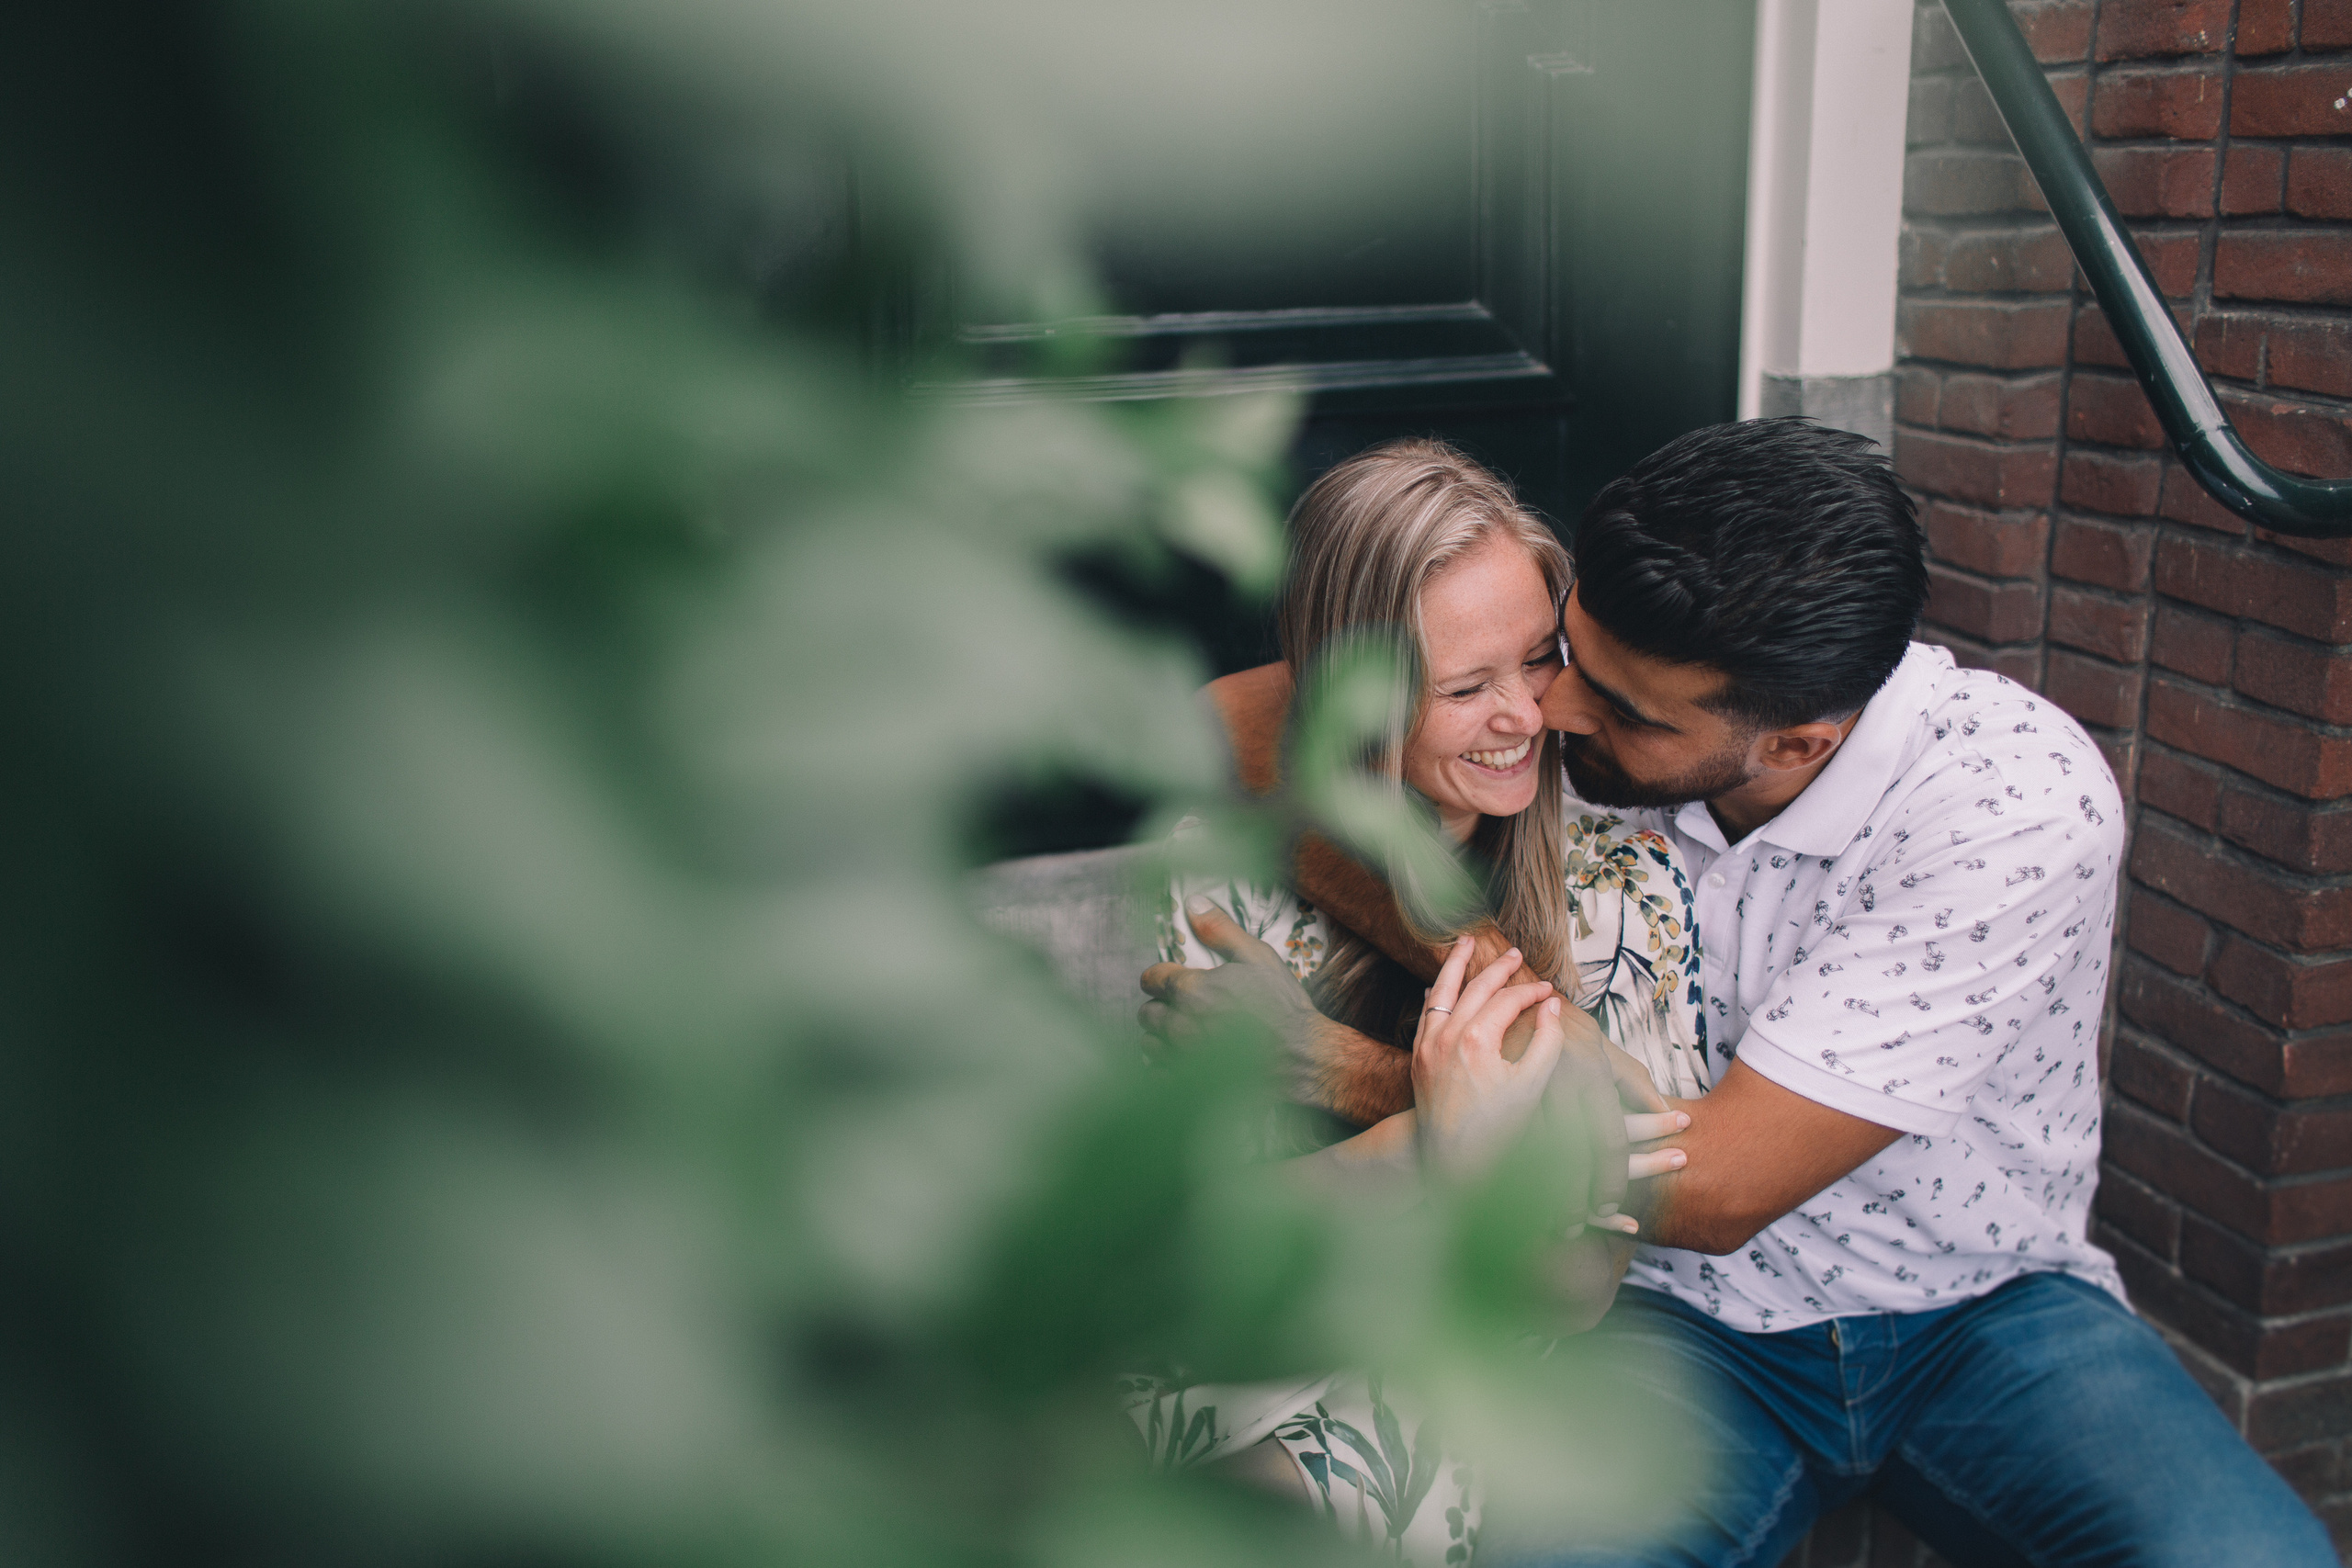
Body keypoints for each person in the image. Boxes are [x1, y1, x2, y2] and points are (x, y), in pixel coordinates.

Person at [1146, 420, 2336, 1566]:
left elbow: (1710, 1184)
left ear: (1798, 744)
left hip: (1977, 1304)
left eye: (1611, 705)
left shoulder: (2011, 808)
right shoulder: (1610, 721)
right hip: (1685, 1322)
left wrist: (1370, 1071)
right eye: (1572, 652)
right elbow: (1260, 711)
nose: (1559, 713)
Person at [1125, 439, 1701, 1566]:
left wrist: (1413, 1137)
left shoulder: (1619, 893)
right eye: (1465, 688)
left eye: (1538, 662)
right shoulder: (1217, 873)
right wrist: (1446, 1144)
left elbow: (1572, 1292)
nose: (1527, 719)